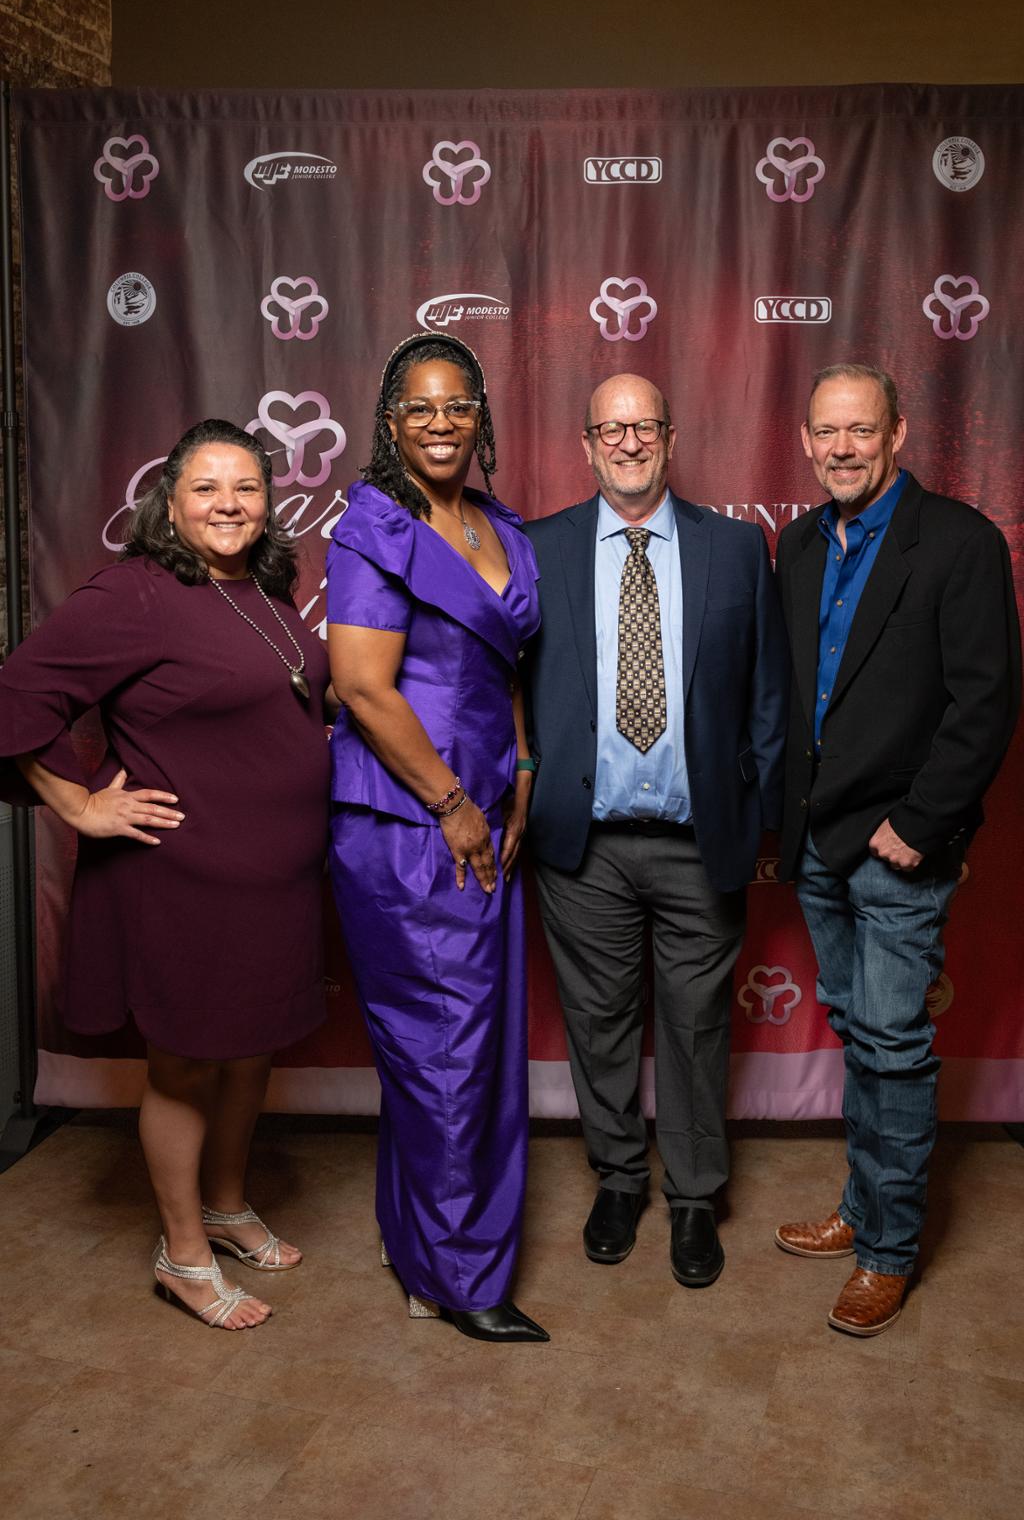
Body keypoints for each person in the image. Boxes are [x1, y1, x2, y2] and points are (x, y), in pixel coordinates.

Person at [0, 419, 331, 1329]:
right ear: (169, 503)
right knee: (184, 1063)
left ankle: (225, 1205)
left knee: (250, 1045)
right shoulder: (135, 593)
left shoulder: (264, 588)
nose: (230, 505)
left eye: (247, 489)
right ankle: (182, 1254)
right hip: (182, 881)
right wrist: (76, 802)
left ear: (270, 502)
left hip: (273, 882)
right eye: (207, 489)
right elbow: (17, 691)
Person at [524, 374, 789, 1287]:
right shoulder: (539, 547)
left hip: (697, 839)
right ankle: (618, 1178)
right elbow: (509, 692)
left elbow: (767, 695)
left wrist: (758, 819)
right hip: (582, 844)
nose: (629, 442)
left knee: (696, 1026)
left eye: (646, 427)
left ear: (671, 440)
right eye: (612, 427)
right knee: (598, 1026)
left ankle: (692, 1199)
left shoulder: (736, 549)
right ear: (586, 444)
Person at [774, 363, 1021, 1336]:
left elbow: (985, 702)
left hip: (900, 848)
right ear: (804, 440)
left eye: (860, 430)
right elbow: (792, 701)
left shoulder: (956, 542)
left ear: (897, 433)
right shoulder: (795, 545)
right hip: (817, 842)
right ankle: (860, 1207)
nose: (841, 447)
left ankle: (887, 1249)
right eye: (826, 431)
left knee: (892, 1043)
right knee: (857, 1034)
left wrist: (918, 826)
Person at [326, 331, 548, 1344]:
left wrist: (522, 769)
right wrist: (455, 800)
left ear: (479, 414)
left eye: (457, 404)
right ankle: (460, 1277)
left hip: (483, 811)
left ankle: (418, 1244)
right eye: (420, 407)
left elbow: (505, 671)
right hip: (408, 820)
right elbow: (364, 688)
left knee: (460, 1045)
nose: (441, 423)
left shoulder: (500, 526)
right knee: (447, 1049)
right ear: (389, 421)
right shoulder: (372, 525)